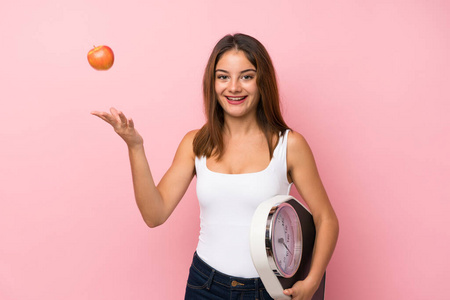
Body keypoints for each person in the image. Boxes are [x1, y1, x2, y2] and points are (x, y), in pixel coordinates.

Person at [91, 33, 339, 300]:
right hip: (205, 285)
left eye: (246, 76)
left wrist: (312, 281)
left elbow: (326, 219)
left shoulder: (289, 145)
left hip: (267, 291)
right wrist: (135, 147)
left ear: (262, 81)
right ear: (213, 83)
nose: (233, 87)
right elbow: (155, 214)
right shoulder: (195, 143)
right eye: (223, 77)